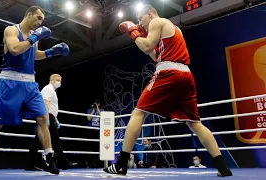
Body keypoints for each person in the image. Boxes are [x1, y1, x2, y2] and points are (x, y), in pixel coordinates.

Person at [103, 4, 232, 177]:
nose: (140, 24)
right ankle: (223, 167)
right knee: (195, 123)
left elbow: (147, 46)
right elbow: (155, 55)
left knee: (138, 114)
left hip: (168, 73)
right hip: (186, 76)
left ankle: (121, 164)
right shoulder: (173, 29)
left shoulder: (157, 22)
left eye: (141, 19)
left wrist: (134, 33)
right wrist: (140, 34)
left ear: (150, 14)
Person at [0, 6, 70, 176]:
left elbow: (32, 54)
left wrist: (50, 52)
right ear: (29, 14)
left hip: (30, 84)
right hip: (10, 81)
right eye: (38, 18)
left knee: (42, 117)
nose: (40, 22)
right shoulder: (11, 30)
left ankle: (50, 158)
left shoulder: (34, 38)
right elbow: (15, 49)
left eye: (42, 20)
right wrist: (34, 37)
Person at [26, 74, 77, 170]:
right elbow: (45, 102)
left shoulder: (52, 90)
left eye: (60, 81)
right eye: (58, 80)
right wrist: (47, 118)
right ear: (52, 79)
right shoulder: (48, 89)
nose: (59, 82)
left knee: (38, 141)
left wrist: (55, 119)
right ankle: (63, 162)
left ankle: (30, 164)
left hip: (50, 116)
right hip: (47, 116)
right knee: (55, 140)